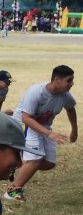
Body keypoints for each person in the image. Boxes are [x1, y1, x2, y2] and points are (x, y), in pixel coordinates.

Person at [6, 65, 77, 202]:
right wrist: (48, 134)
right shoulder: (36, 92)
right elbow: (26, 118)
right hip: (25, 124)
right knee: (36, 159)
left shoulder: (65, 96)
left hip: (42, 126)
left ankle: (16, 162)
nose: (72, 83)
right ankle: (13, 191)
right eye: (69, 80)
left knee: (49, 163)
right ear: (57, 80)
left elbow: (71, 109)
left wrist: (74, 130)